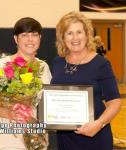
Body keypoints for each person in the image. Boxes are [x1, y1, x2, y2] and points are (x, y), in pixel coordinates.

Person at [51, 11, 121, 150]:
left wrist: (99, 124)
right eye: (69, 33)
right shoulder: (57, 62)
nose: (75, 38)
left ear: (87, 34)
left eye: (79, 32)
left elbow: (115, 102)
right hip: (65, 139)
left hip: (95, 136)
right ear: (62, 37)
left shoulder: (101, 63)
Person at [0, 17, 52, 150]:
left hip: (37, 137)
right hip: (8, 137)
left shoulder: (44, 67)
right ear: (16, 39)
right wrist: (6, 112)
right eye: (24, 35)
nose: (30, 39)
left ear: (40, 38)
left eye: (34, 35)